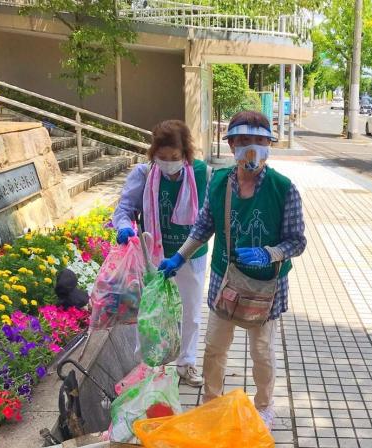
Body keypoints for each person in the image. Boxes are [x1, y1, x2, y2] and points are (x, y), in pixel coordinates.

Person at [158, 111, 306, 429]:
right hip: (224, 282)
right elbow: (203, 227)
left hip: (267, 287)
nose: (252, 148)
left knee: (262, 352)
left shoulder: (284, 188)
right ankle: (212, 405)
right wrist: (179, 258)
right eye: (244, 141)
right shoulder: (220, 182)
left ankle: (264, 406)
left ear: (270, 144)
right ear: (232, 146)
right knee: (214, 349)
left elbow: (297, 241)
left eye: (260, 141)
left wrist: (270, 254)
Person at [112, 119, 209, 387]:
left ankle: (186, 364)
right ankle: (153, 367)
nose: (168, 163)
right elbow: (124, 210)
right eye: (161, 157)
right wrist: (123, 227)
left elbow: (210, 215)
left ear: (185, 154)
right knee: (154, 314)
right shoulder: (144, 174)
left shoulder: (202, 173)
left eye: (174, 157)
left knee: (190, 313)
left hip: (190, 256)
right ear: (153, 153)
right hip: (153, 257)